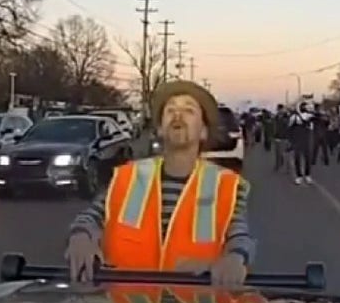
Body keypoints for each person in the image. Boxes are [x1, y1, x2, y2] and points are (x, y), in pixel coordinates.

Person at [65, 80, 256, 287]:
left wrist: (235, 259)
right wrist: (81, 238)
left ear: (203, 132)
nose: (178, 115)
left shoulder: (224, 185)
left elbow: (240, 238)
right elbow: (90, 218)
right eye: (170, 110)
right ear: (160, 130)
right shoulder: (129, 176)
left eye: (189, 110)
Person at [288, 102, 314, 185]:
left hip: (306, 139)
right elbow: (289, 128)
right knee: (297, 158)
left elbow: (312, 128)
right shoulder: (294, 117)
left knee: (308, 158)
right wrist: (291, 140)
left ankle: (307, 175)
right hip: (297, 140)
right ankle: (299, 176)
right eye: (303, 107)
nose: (305, 108)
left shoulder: (310, 116)